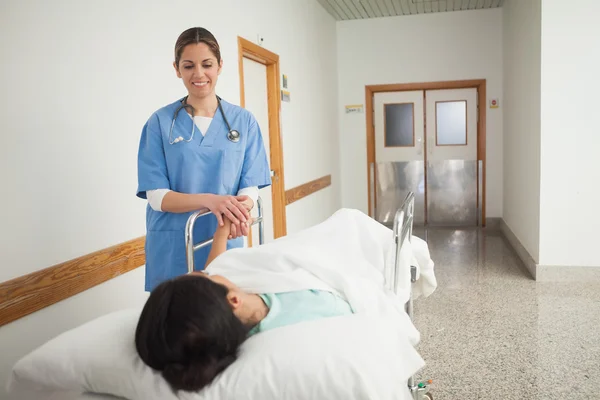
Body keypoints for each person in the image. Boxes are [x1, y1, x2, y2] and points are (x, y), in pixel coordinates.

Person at [135, 217, 355, 393]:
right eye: (202, 275)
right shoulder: (313, 314)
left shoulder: (226, 306)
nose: (205, 270)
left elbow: (217, 265)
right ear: (233, 300)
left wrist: (222, 232)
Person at [136, 27, 271, 292]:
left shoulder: (243, 121)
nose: (198, 74)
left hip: (224, 237)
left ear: (220, 66)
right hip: (174, 244)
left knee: (220, 316)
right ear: (177, 69)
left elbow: (250, 186)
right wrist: (212, 200)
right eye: (188, 66)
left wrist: (240, 210)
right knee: (174, 321)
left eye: (207, 64)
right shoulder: (160, 123)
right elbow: (156, 197)